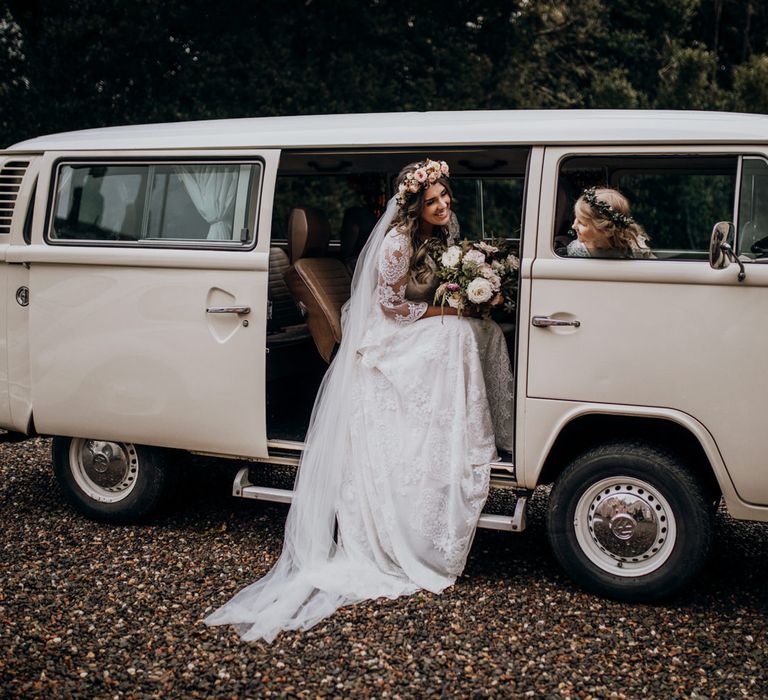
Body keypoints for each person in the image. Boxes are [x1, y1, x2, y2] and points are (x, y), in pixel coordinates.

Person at [205, 159, 515, 642]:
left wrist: (466, 293)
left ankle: (488, 427)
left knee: (480, 331)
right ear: (415, 205)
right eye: (432, 200)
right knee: (450, 337)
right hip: (389, 332)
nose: (443, 205)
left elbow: (437, 282)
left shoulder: (441, 234)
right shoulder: (395, 242)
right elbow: (391, 305)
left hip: (414, 318)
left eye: (445, 197)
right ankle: (461, 437)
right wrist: (445, 308)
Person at [566, 187, 653, 258]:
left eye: (582, 223)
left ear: (607, 231)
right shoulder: (577, 250)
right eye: (576, 219)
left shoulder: (635, 248)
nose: (574, 226)